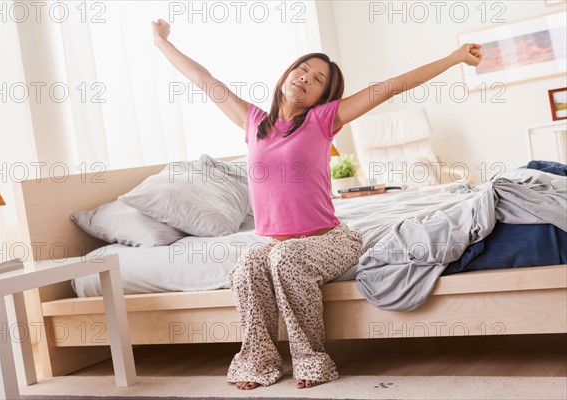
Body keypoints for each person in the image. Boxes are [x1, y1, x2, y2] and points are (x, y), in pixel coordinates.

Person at [151, 18, 482, 391]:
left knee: (284, 259)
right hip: (279, 243)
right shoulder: (253, 122)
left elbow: (391, 87)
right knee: (246, 266)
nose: (306, 78)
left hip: (331, 241)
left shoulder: (322, 121)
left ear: (322, 97)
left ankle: (311, 359)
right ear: (286, 76)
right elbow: (204, 80)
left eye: (318, 79)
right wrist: (161, 41)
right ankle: (258, 361)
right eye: (302, 69)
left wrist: (453, 58)